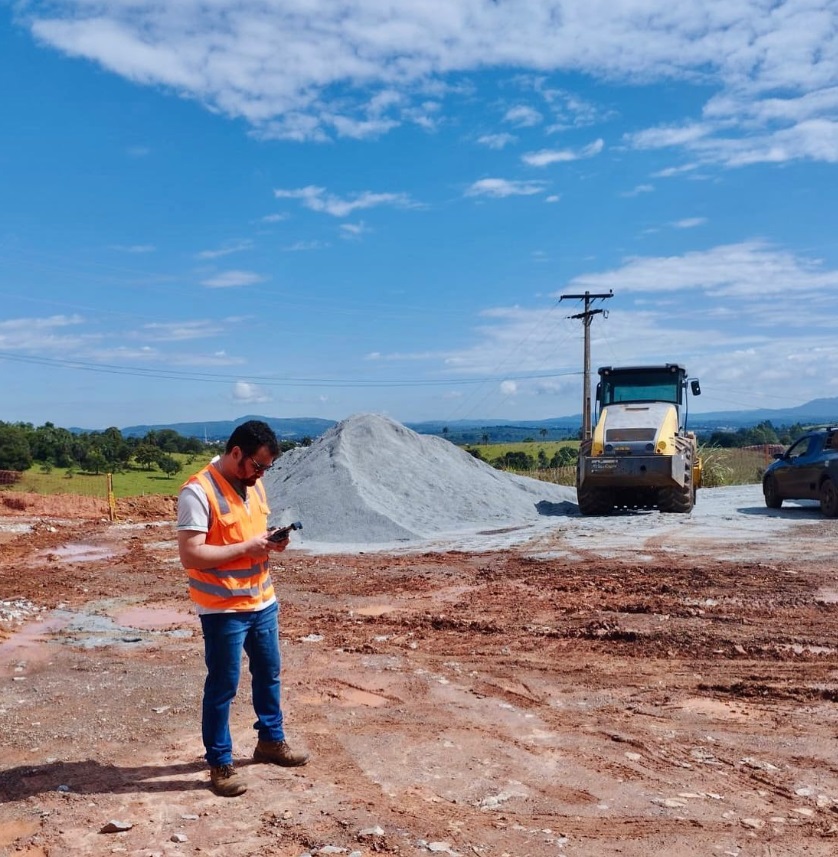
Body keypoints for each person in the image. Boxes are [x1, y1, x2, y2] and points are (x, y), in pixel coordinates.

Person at [177, 419, 309, 797]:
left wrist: (270, 544)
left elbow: (252, 536)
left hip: (262, 601)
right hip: (222, 609)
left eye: (267, 468)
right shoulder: (197, 492)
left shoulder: (254, 484)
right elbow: (191, 554)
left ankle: (271, 741)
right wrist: (246, 548)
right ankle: (220, 763)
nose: (261, 473)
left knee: (269, 675)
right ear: (236, 452)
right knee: (223, 686)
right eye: (257, 465)